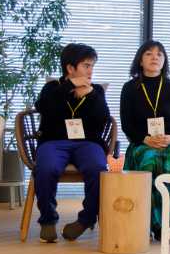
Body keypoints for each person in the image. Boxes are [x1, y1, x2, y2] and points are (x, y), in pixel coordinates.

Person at [31, 43, 111, 243]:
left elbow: (103, 119)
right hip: (54, 142)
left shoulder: (95, 90)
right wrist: (68, 87)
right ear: (70, 68)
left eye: (92, 66)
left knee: (98, 169)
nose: (90, 71)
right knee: (45, 168)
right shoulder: (53, 87)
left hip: (88, 143)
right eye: (86, 66)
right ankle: (48, 221)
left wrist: (91, 95)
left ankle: (86, 220)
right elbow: (43, 109)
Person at [120, 41, 170, 241]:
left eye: (160, 54)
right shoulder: (129, 88)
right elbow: (127, 124)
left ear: (164, 60)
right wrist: (146, 139)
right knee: (149, 160)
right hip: (143, 142)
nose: (155, 57)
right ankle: (156, 225)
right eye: (149, 54)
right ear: (140, 60)